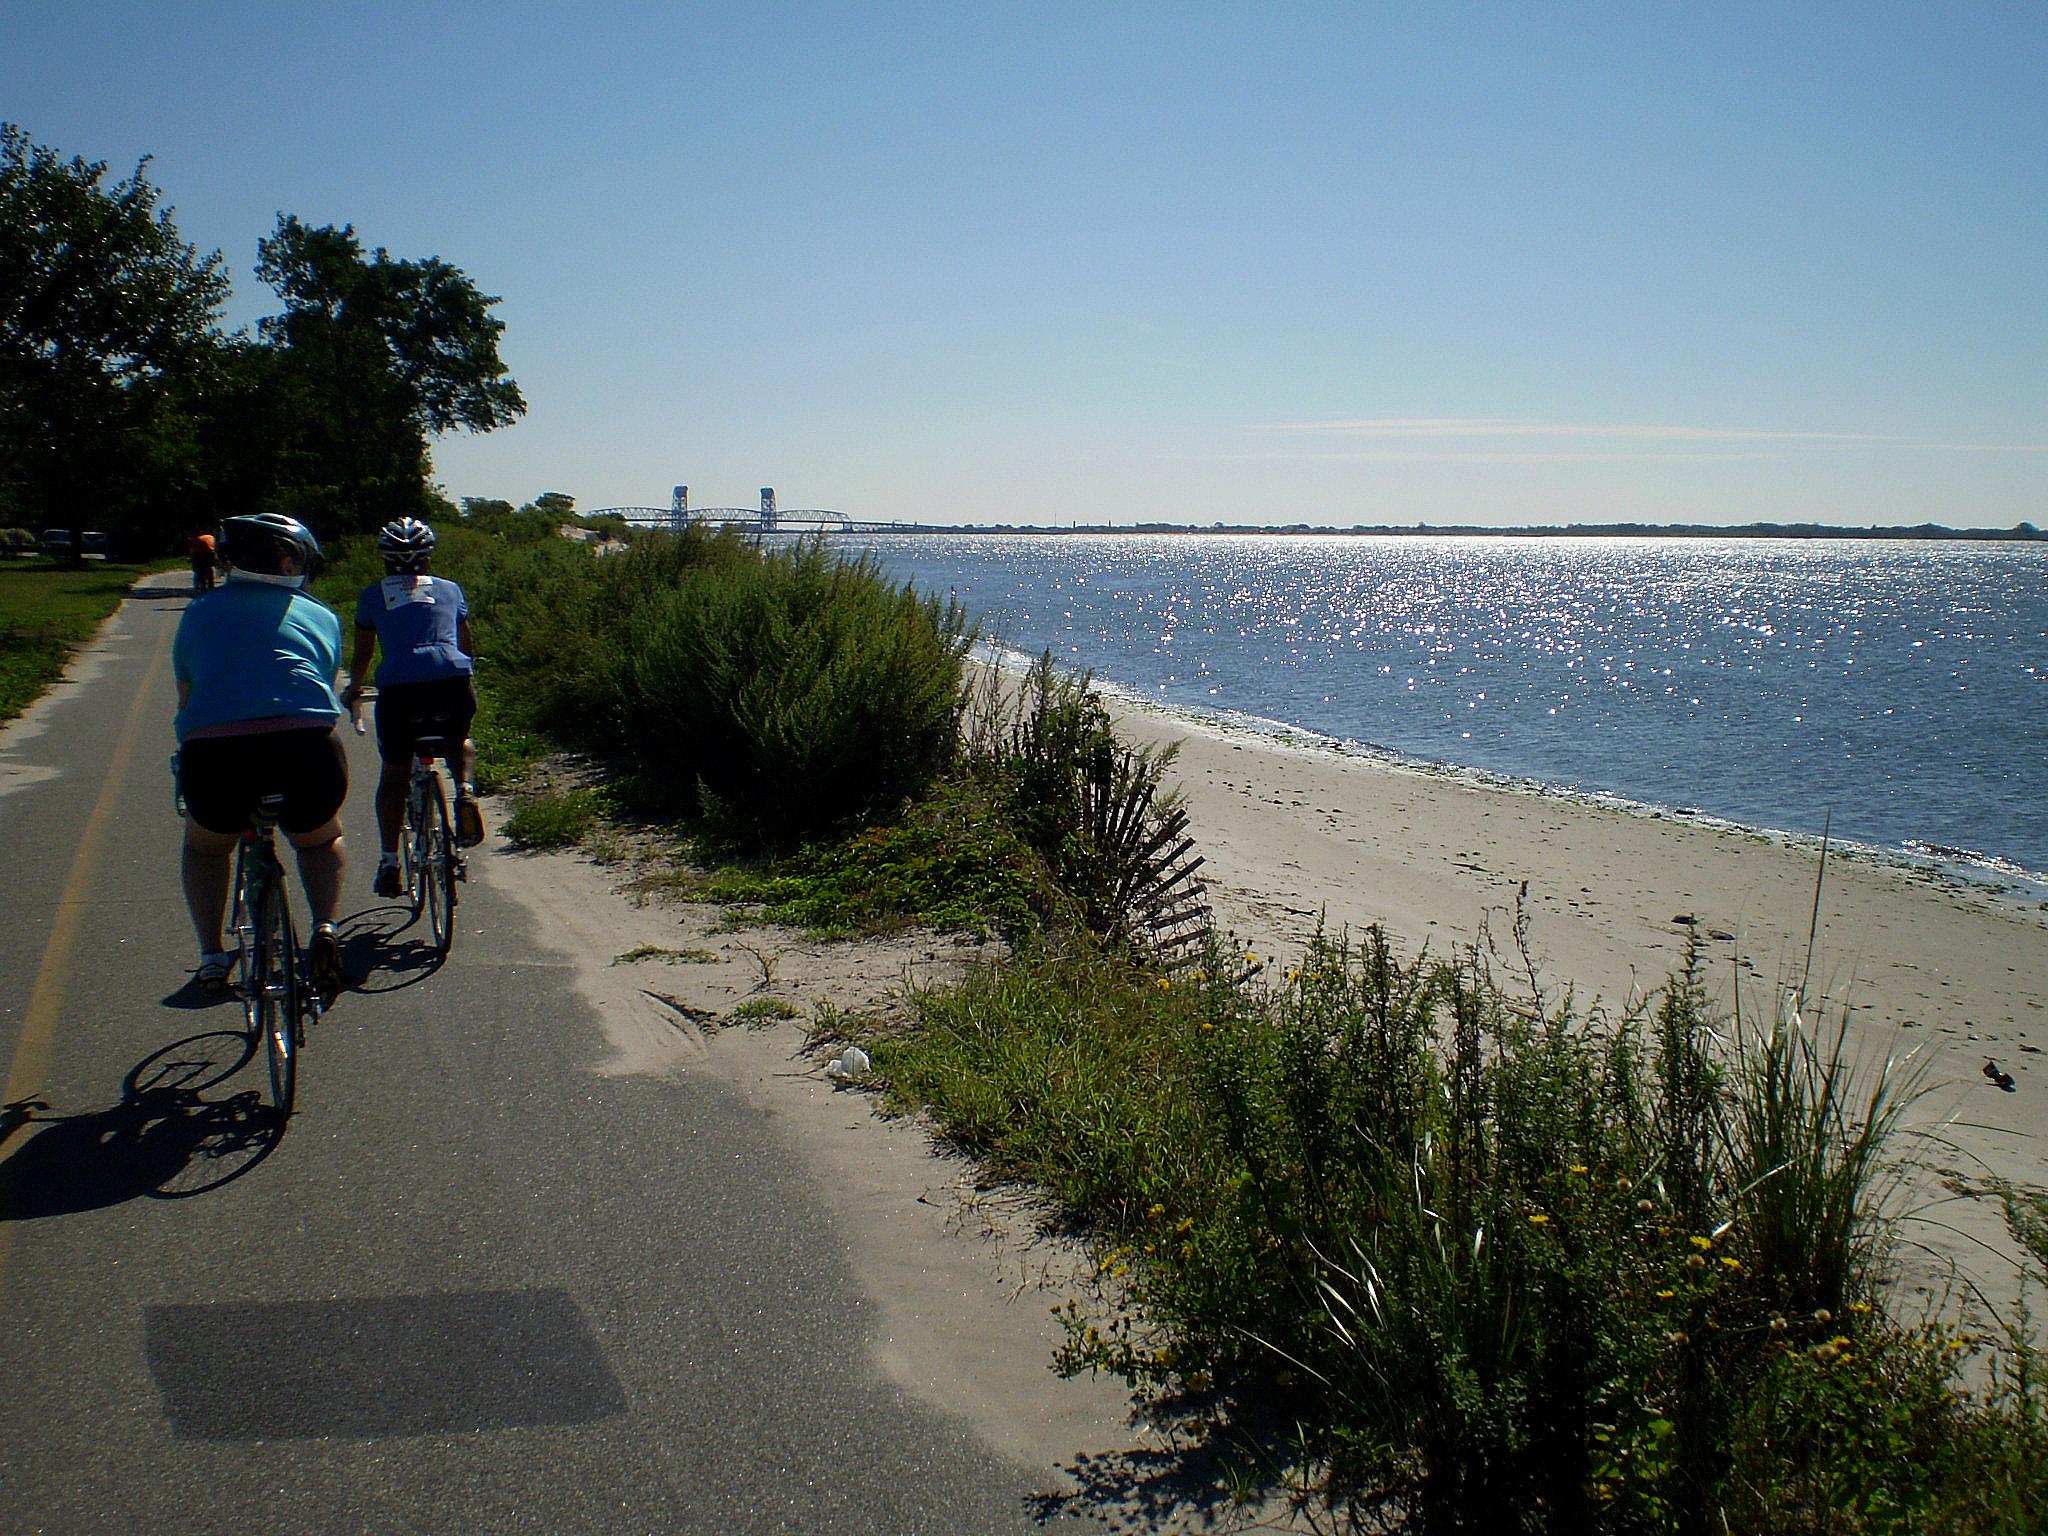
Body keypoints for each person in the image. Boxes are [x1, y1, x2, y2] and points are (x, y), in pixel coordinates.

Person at [173, 513, 347, 998]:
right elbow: (322, 685)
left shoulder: (199, 613)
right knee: (317, 840)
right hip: (307, 751)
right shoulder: (321, 614)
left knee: (206, 846)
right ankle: (325, 930)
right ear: (295, 562)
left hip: (218, 757)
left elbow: (187, 695)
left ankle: (211, 956)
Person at [340, 516, 484, 901]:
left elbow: (364, 653)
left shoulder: (372, 596)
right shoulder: (451, 590)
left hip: (401, 689)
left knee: (394, 775)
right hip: (452, 680)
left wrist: (354, 688)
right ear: (428, 558)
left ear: (386, 560)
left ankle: (389, 862)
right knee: (459, 738)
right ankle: (465, 791)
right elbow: (466, 646)